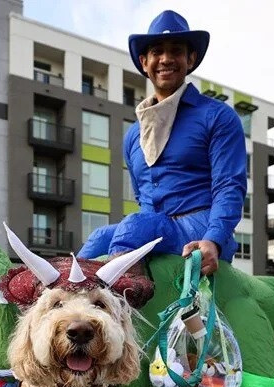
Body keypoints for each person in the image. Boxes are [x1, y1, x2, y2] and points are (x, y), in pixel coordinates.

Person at [79, 10, 247, 278]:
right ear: (145, 61)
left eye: (176, 51)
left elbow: (229, 185)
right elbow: (142, 196)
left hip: (201, 224)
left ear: (190, 59)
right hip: (152, 225)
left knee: (136, 225)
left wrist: (213, 238)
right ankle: (56, 298)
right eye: (157, 51)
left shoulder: (217, 116)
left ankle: (121, 303)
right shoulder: (134, 135)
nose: (166, 59)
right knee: (99, 236)